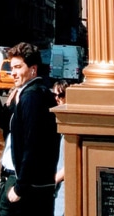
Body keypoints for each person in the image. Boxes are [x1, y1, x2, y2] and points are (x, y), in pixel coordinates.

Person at [0, 42, 59, 216]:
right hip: (27, 182)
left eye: (18, 67)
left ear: (33, 69)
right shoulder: (31, 93)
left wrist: (19, 188)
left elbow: (33, 145)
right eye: (12, 67)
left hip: (22, 184)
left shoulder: (32, 96)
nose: (13, 73)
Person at [52, 80, 69, 216]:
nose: (57, 98)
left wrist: (54, 179)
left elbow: (70, 162)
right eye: (55, 95)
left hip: (64, 187)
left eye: (61, 95)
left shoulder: (70, 124)